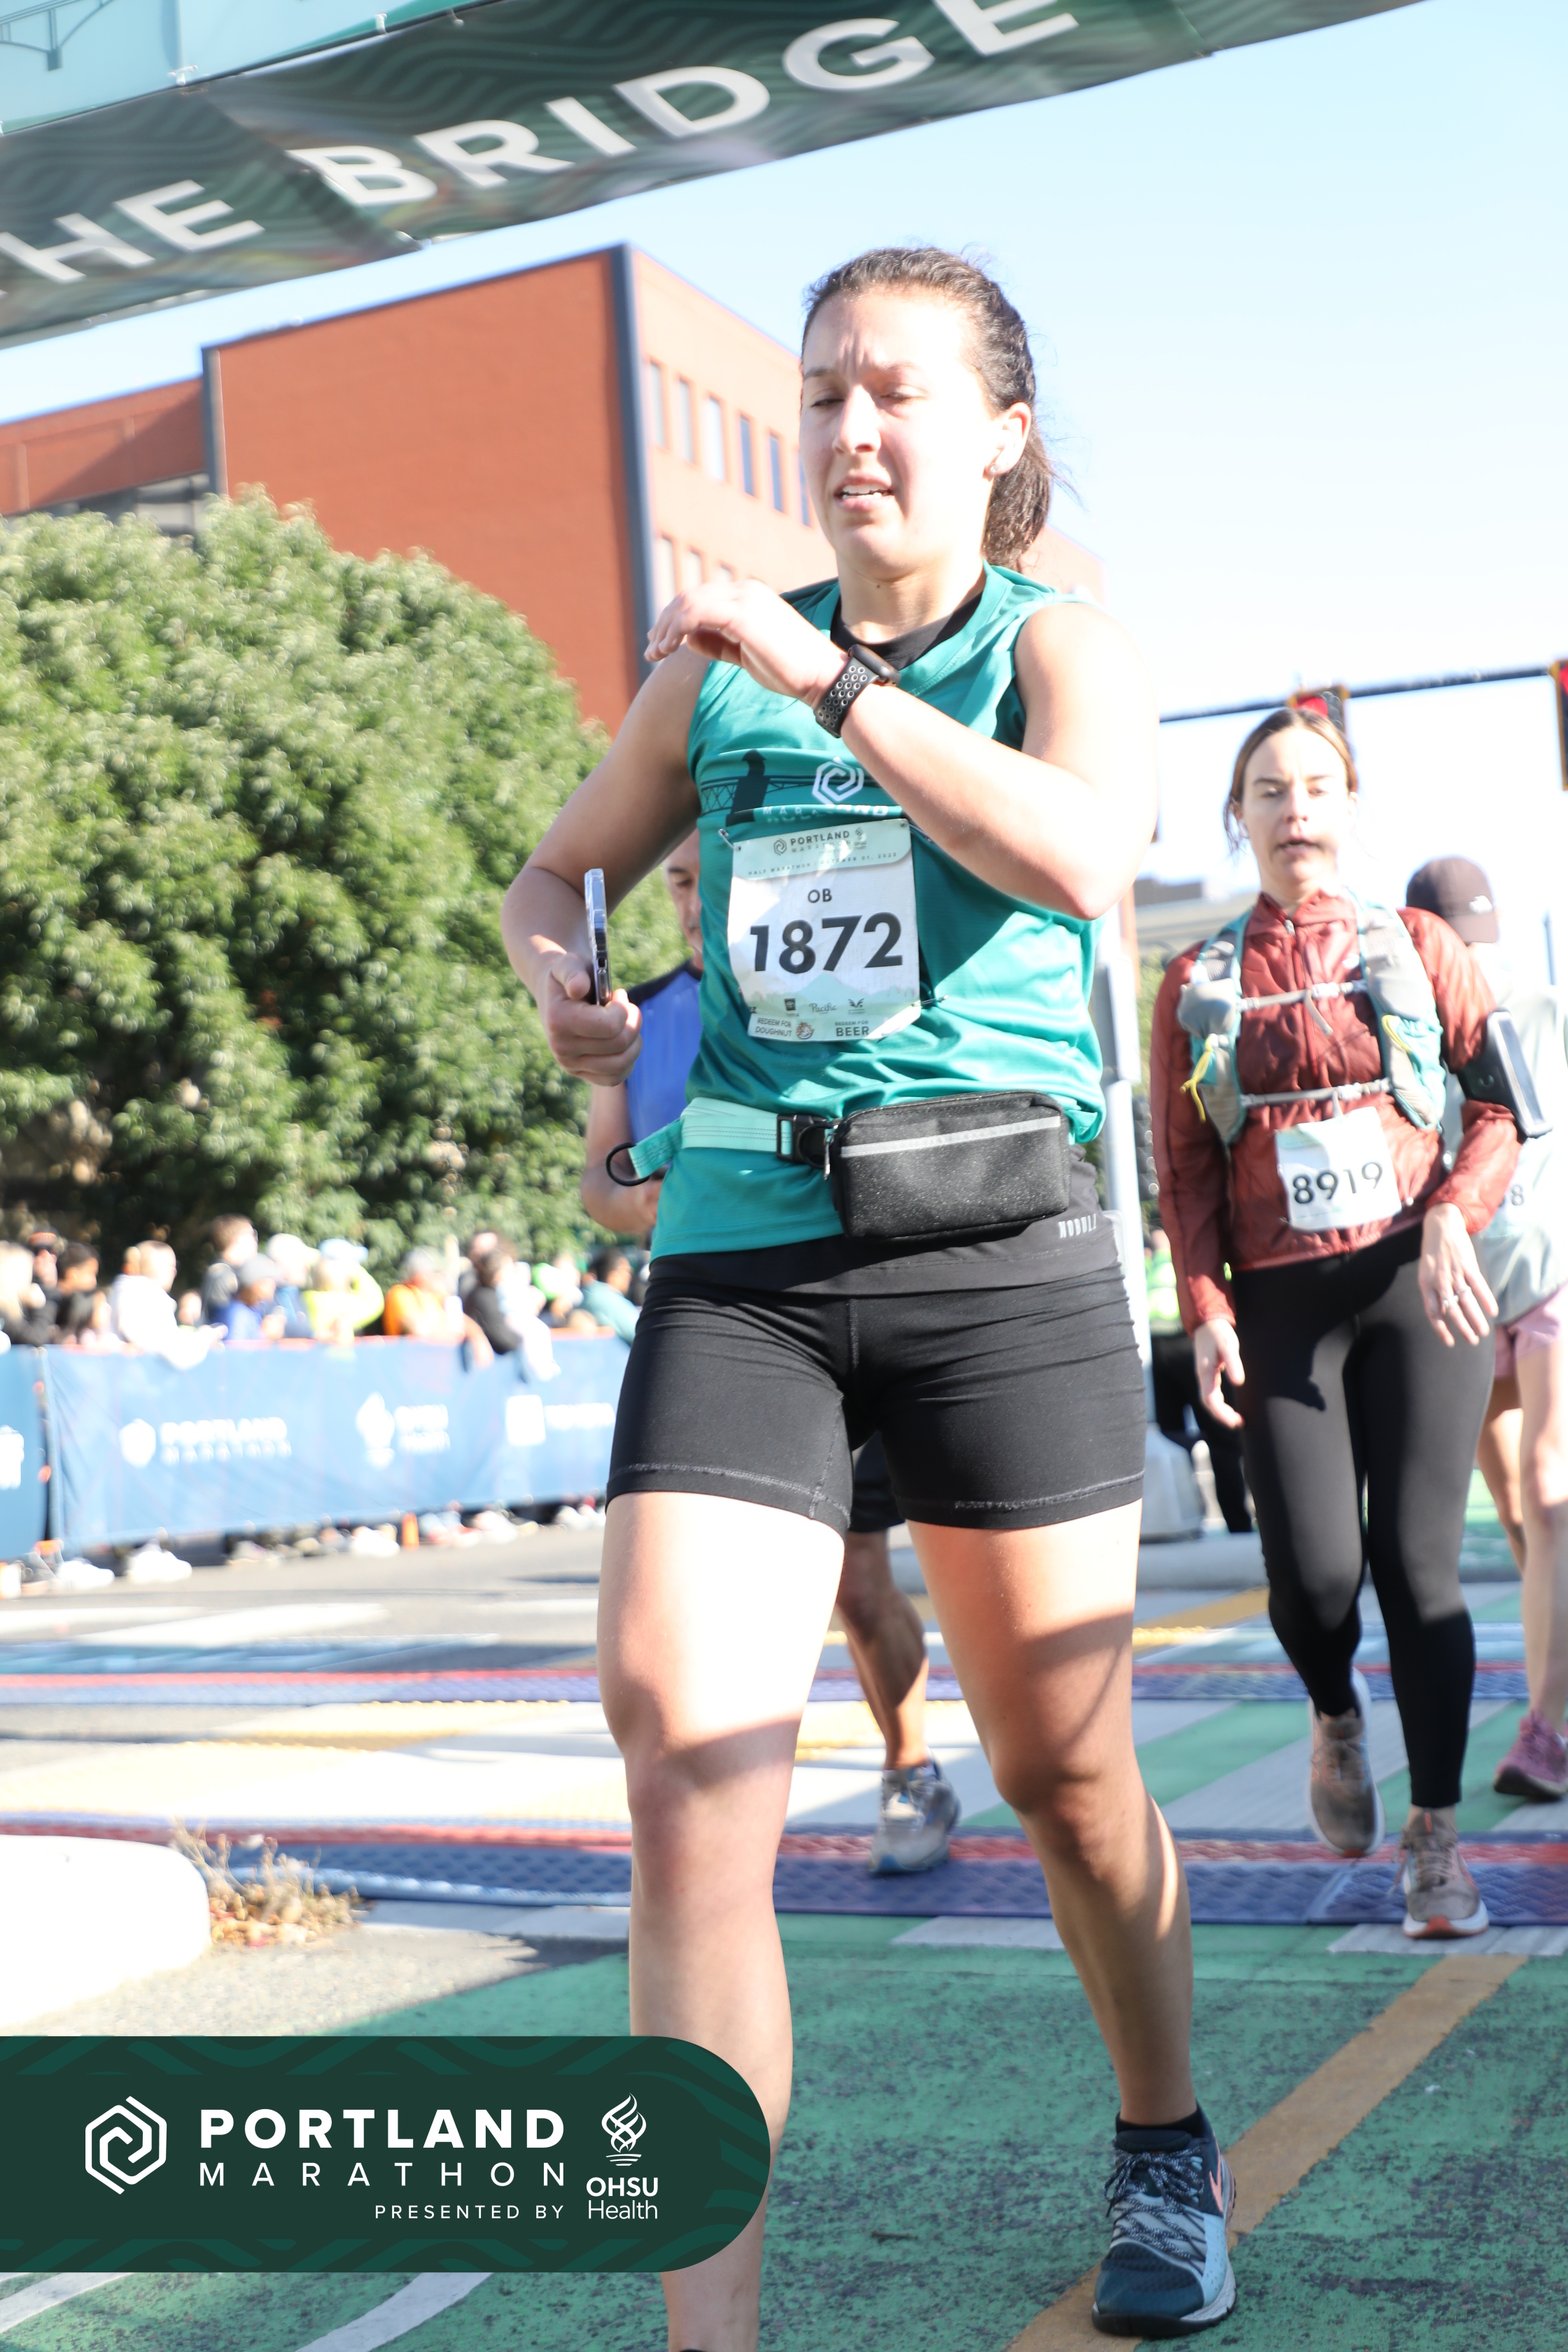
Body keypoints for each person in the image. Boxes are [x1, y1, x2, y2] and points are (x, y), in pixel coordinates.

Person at [504, 246, 1231, 2344]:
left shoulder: (1054, 644)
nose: (850, 428)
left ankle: (1163, 2132)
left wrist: (828, 682)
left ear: (999, 434)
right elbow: (553, 871)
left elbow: (1080, 854)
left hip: (994, 1248)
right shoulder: (710, 673)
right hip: (743, 1253)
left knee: (1064, 1780)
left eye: (898, 390)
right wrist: (565, 985)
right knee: (682, 1763)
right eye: (823, 391)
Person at [1152, 707, 1520, 1941]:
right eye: (1269, 789)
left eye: (1317, 786)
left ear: (1351, 807)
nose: (1295, 808)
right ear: (1237, 816)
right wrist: (1206, 1307)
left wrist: (1458, 1210)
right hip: (1280, 1295)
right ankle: (1334, 1710)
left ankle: (1436, 1842)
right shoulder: (1196, 982)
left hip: (1420, 1281)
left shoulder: (1420, 946)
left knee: (1420, 1570)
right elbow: (1185, 1173)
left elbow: (1500, 1110)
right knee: (1315, 1579)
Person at [582, 827, 958, 1871]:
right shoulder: (637, 1017)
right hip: (715, 1314)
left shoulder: (827, 986)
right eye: (678, 881)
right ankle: (728, 1826)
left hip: (855, 1300)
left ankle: (910, 1764)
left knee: (860, 1587)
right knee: (703, 1611)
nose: (691, 898)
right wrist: (659, 1198)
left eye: (710, 876)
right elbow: (601, 1185)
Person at [1407, 857, 1568, 1800]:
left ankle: (1548, 1727)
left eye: (1479, 946)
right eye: (1450, 949)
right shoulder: (1398, 1030)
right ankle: (1558, 1685)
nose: (1471, 967)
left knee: (1551, 1493)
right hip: (1463, 1287)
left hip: (1552, 1270)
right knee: (1513, 1508)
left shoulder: (1543, 1009)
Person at [1147, 1222, 1252, 1534]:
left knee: (1175, 1440)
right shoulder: (1205, 1255)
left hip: (1159, 1351)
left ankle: (1190, 1520)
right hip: (1194, 1342)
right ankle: (1238, 1524)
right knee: (1222, 1441)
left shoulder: (1155, 1262)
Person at [109, 1242, 218, 1366]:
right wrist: (203, 1339)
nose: (174, 1272)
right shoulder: (149, 1296)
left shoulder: (122, 1291)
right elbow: (175, 1353)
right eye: (172, 1266)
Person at [383, 1247, 492, 1362]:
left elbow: (462, 1320)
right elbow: (419, 1330)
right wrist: (454, 1329)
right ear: (422, 1276)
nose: (444, 1277)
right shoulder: (400, 1293)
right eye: (438, 1272)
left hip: (435, 1365)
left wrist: (479, 1337)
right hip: (407, 1365)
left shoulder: (436, 1297)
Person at [303, 1242, 385, 1346]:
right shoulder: (341, 1303)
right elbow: (374, 1299)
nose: (356, 1264)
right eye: (353, 1261)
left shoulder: (306, 1298)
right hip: (340, 1356)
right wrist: (358, 1271)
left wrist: (320, 1260)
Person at [212, 1256, 286, 1344]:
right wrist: (265, 1335)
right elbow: (235, 1349)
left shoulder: (254, 1309)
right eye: (270, 1280)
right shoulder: (238, 1313)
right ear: (257, 1285)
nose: (274, 1284)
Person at [201, 1214, 258, 1321]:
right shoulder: (223, 1275)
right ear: (239, 1239)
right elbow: (223, 1320)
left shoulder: (227, 1272)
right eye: (252, 1234)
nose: (256, 1239)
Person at [262, 1235, 317, 1340]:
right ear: (281, 1263)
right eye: (301, 1261)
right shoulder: (264, 1297)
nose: (307, 1267)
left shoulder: (295, 1294)